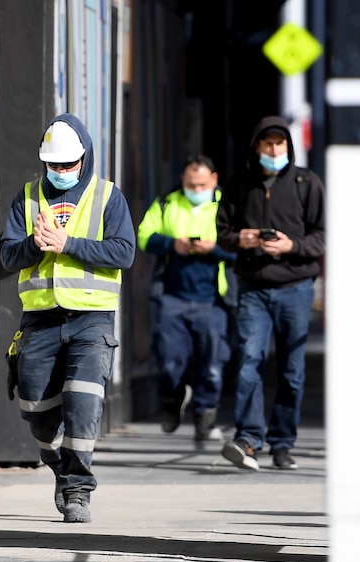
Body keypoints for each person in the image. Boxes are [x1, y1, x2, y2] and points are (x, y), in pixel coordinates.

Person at [0, 113, 135, 523]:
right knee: (35, 408)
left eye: (67, 165)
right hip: (39, 319)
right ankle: (60, 468)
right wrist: (36, 246)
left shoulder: (108, 196)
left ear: (84, 158)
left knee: (83, 399)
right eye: (52, 165)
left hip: (91, 318)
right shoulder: (26, 197)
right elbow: (6, 255)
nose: (59, 172)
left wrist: (68, 244)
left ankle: (78, 489)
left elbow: (124, 252)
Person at [215, 115, 326, 471]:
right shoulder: (237, 184)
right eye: (267, 144)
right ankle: (248, 440)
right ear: (257, 147)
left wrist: (292, 245)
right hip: (253, 289)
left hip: (295, 288)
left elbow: (322, 235)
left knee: (292, 370)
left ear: (288, 147)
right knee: (249, 361)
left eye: (280, 144)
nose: (274, 150)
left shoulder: (306, 183)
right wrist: (241, 239)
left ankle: (282, 442)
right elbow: (222, 233)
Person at [136, 154, 236, 440]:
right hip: (173, 297)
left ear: (214, 180)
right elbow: (144, 236)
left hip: (213, 299)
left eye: (202, 184)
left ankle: (206, 417)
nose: (197, 189)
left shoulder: (229, 206)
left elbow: (241, 249)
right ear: (183, 180)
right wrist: (173, 244)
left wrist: (213, 249)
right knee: (168, 360)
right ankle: (173, 397)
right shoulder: (167, 203)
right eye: (191, 184)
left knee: (212, 364)